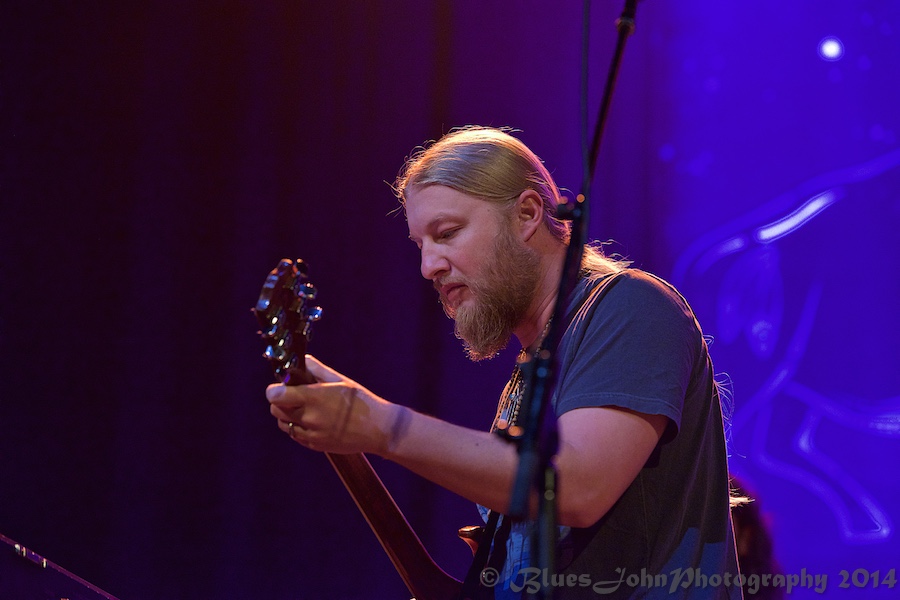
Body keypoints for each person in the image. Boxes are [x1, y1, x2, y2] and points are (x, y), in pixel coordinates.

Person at [267, 127, 742, 599]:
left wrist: (380, 426)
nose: (429, 266)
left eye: (447, 233)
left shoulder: (632, 306)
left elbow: (577, 489)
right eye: (420, 245)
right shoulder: (532, 368)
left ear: (527, 214)